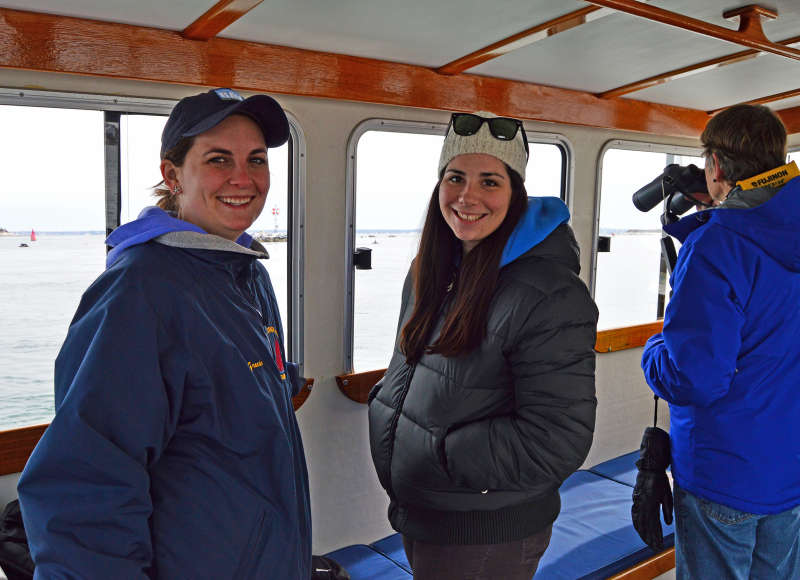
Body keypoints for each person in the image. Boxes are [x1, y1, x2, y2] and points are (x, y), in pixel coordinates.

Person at [17, 88, 311, 578]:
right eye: (219, 159)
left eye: (256, 160)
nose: (244, 178)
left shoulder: (244, 273)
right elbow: (85, 484)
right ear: (172, 175)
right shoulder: (139, 290)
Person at [368, 112, 598, 580]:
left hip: (486, 530)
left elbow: (559, 438)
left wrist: (439, 454)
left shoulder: (549, 293)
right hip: (428, 510)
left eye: (489, 181)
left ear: (516, 194)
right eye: (455, 177)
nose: (467, 197)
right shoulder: (431, 271)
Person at [641, 104, 800, 579]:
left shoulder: (715, 245)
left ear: (715, 167)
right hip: (789, 468)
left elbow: (697, 378)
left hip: (724, 471)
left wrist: (653, 354)